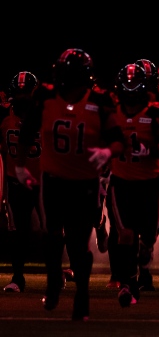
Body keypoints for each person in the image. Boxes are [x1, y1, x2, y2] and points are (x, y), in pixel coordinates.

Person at [16, 48, 125, 321]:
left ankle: (82, 295)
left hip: (84, 181)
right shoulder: (45, 96)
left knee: (78, 243)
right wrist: (19, 166)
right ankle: (54, 283)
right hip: (53, 180)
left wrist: (107, 153)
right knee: (53, 237)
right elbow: (26, 132)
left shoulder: (99, 101)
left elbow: (119, 141)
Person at [106, 63, 159, 307]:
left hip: (151, 183)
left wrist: (151, 150)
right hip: (121, 182)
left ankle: (142, 263)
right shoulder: (110, 112)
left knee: (149, 237)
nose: (130, 92)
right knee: (125, 234)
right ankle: (129, 285)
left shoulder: (155, 112)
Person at [1, 71, 42, 293]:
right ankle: (18, 277)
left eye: (26, 93)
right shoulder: (4, 117)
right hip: (15, 181)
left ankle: (57, 274)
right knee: (18, 232)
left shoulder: (44, 114)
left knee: (51, 230)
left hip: (44, 181)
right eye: (19, 93)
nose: (23, 98)